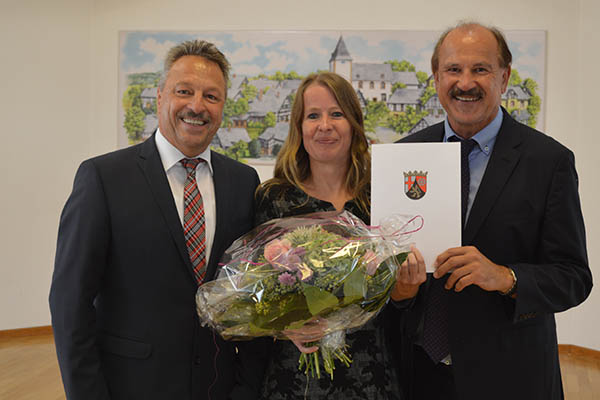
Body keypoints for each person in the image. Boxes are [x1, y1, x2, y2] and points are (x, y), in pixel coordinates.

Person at [49, 40, 266, 399]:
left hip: (219, 387)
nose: (197, 106)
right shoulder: (103, 178)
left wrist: (246, 387)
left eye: (212, 96)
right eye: (184, 91)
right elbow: (69, 302)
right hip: (130, 387)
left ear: (224, 106)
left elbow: (252, 296)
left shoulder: (243, 182)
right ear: (161, 95)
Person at [390, 22, 592, 400]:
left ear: (504, 76)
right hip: (418, 374)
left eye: (480, 69)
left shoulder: (549, 162)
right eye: (453, 69)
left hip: (511, 376)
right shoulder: (404, 155)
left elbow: (574, 278)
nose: (465, 82)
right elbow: (390, 276)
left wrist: (505, 277)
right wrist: (400, 291)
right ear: (436, 77)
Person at [254, 72, 402, 400]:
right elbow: (257, 296)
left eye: (337, 114)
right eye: (313, 115)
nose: (325, 125)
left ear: (353, 123)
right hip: (296, 377)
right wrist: (283, 325)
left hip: (371, 373)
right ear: (298, 127)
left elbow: (398, 301)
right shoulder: (275, 198)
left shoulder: (379, 197)